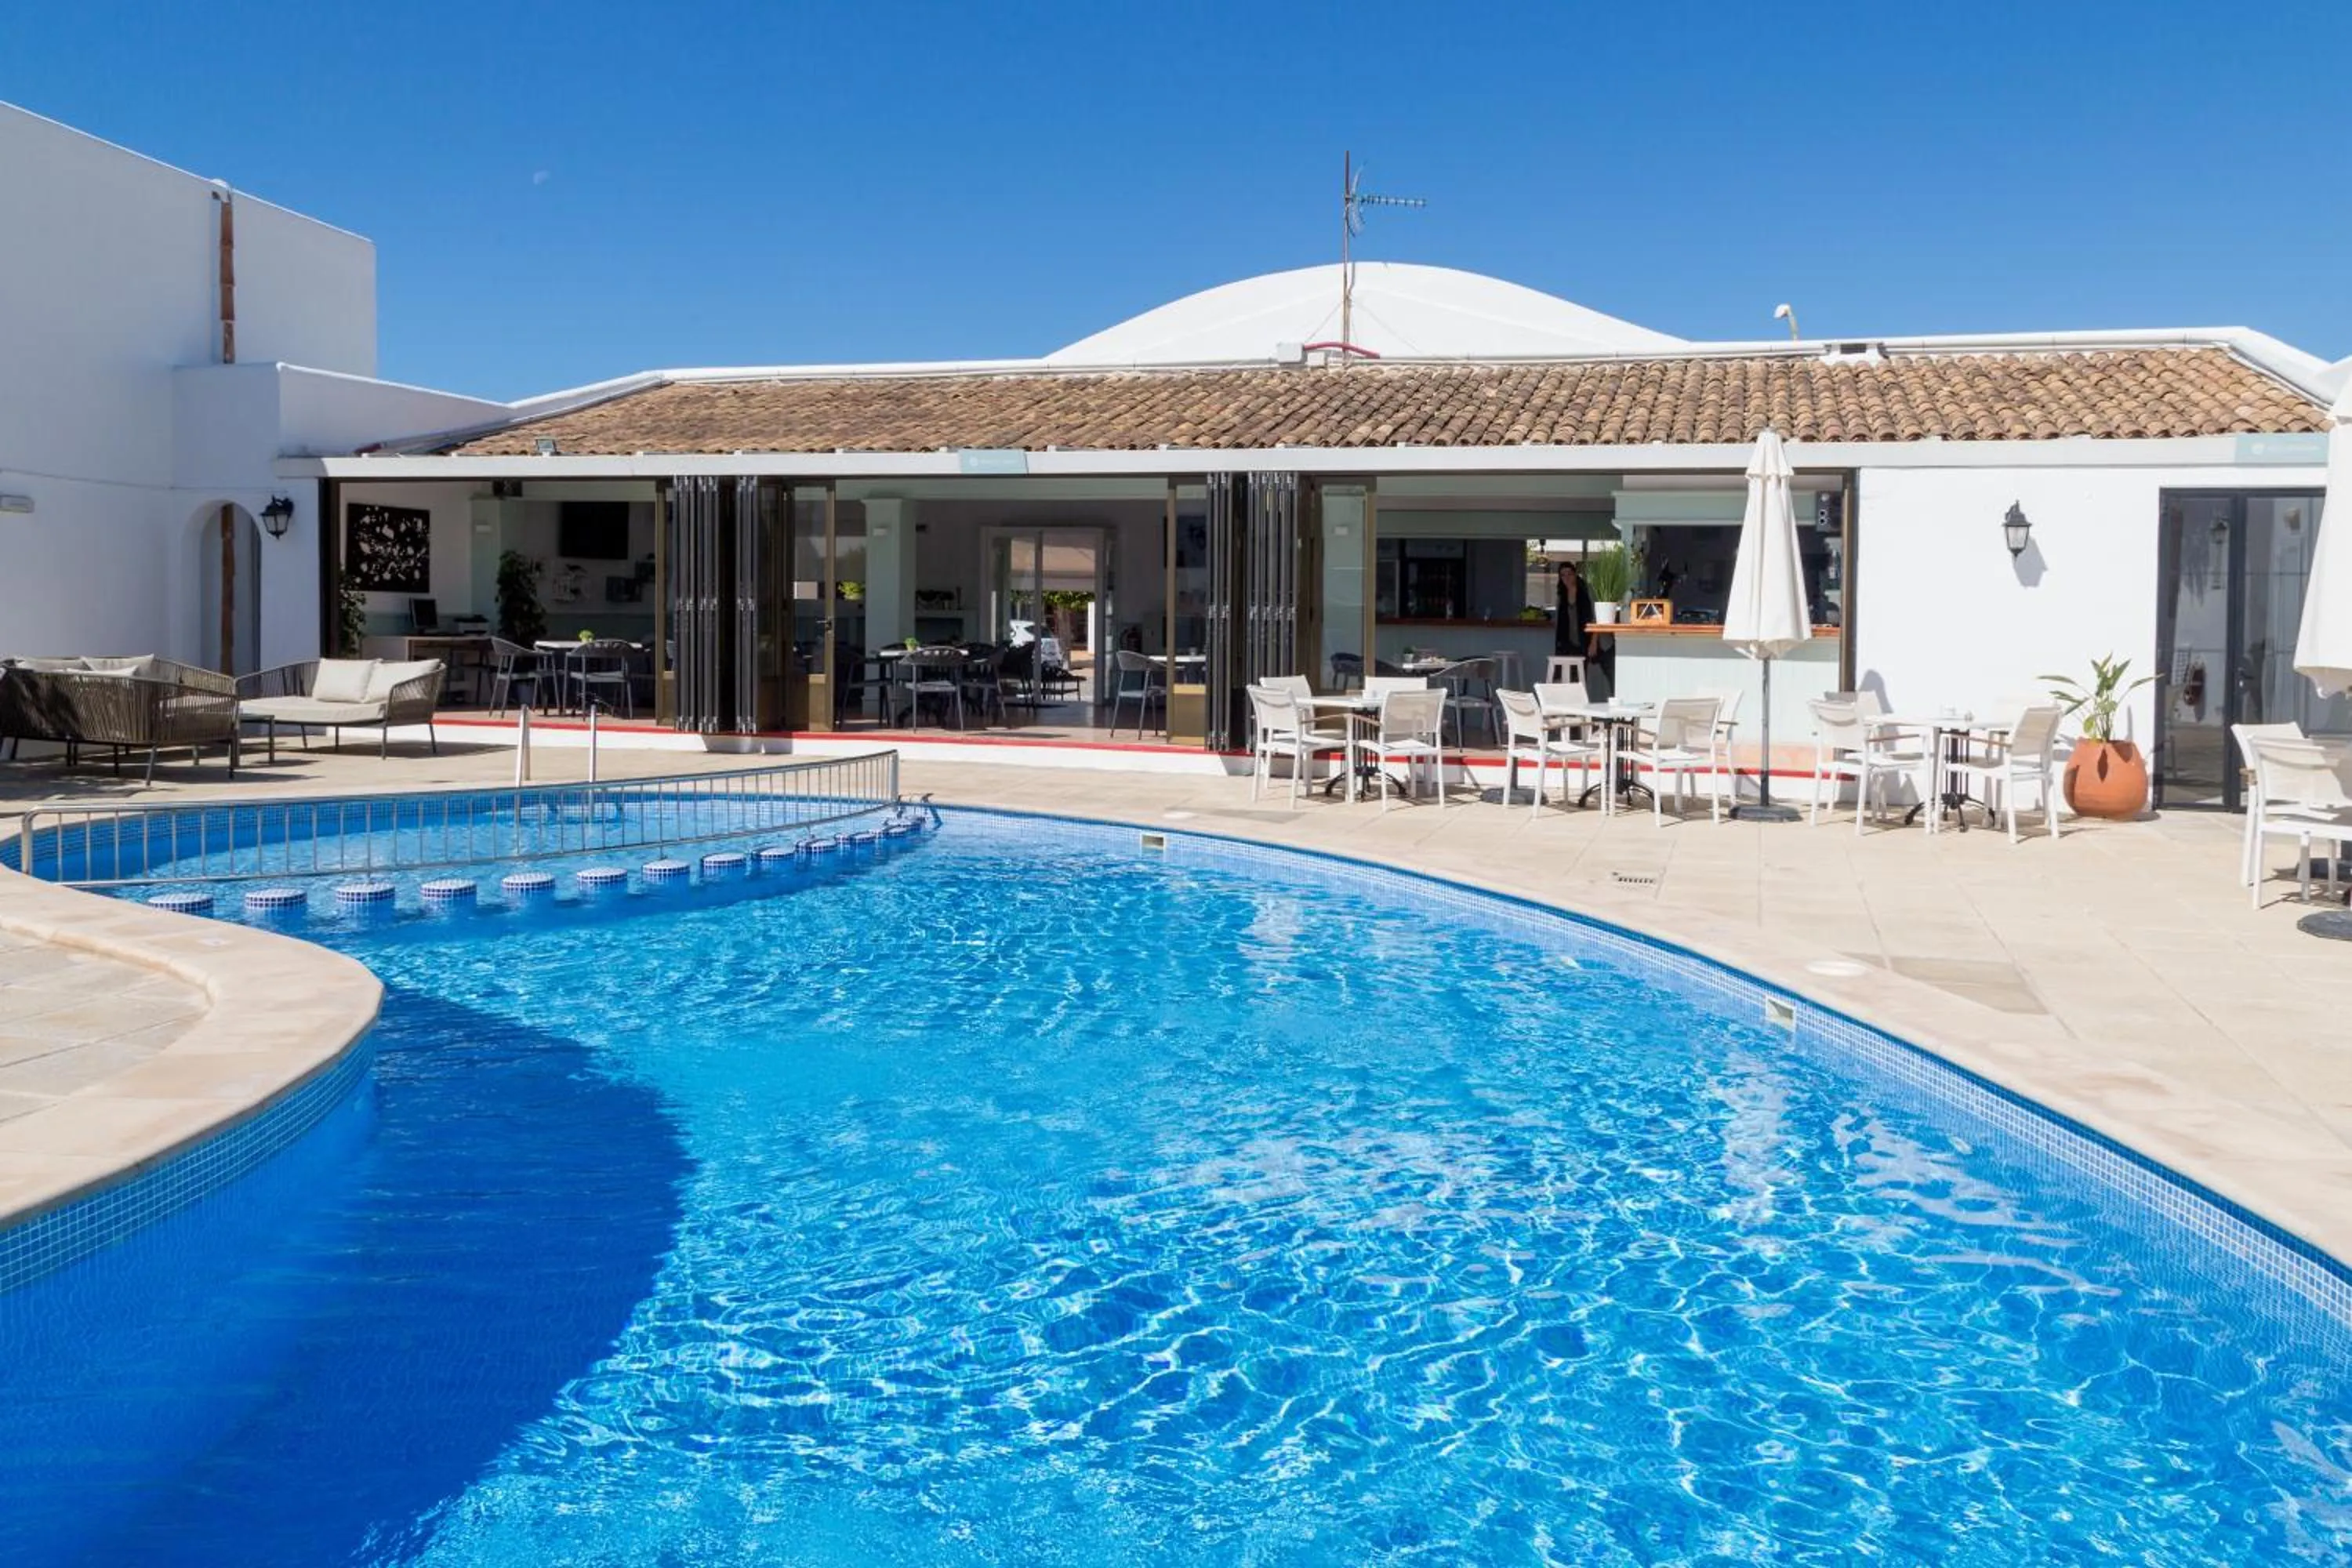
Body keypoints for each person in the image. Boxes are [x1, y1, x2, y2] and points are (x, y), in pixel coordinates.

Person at [1554, 561, 1611, 699]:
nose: (1567, 578)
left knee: (1592, 674)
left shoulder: (1586, 592)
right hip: (1569, 642)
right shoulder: (1561, 596)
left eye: (1570, 574)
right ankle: (1569, 707)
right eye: (1563, 575)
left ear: (1575, 575)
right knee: (1568, 677)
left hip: (1587, 639)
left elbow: (1597, 617)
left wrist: (1593, 641)